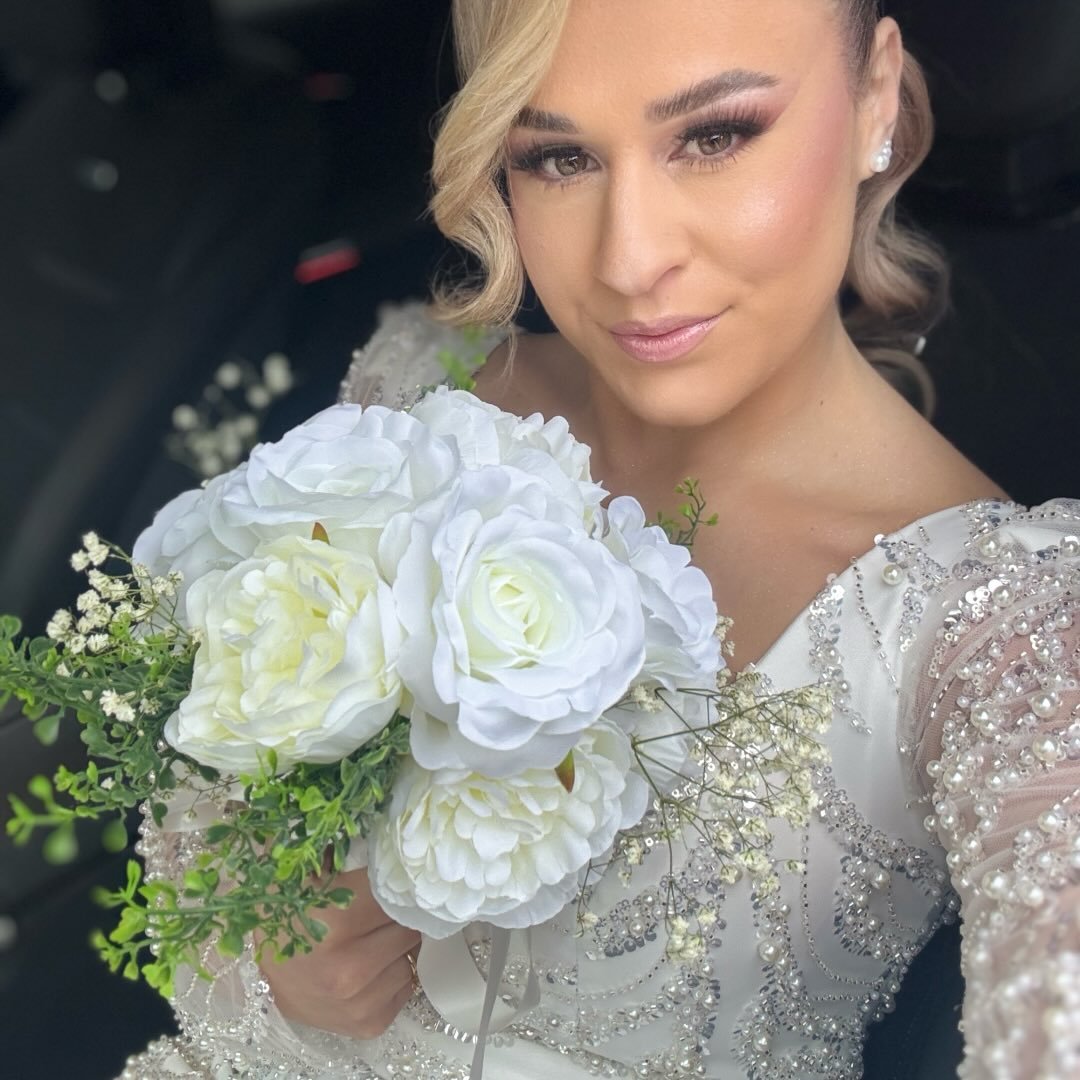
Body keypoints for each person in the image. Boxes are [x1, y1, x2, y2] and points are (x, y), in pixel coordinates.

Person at [119, 1, 1080, 1077]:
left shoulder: (1009, 629)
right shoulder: (414, 393)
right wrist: (263, 948)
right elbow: (197, 826)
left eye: (715, 136)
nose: (631, 259)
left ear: (876, 99)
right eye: (559, 157)